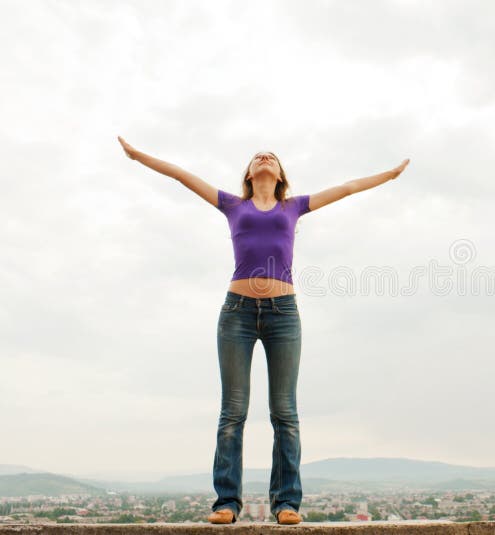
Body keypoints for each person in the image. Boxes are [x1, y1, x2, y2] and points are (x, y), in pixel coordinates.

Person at [117, 136, 409, 524]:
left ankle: (286, 504)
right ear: (250, 175)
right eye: (257, 157)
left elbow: (348, 187)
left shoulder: (294, 207)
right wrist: (138, 156)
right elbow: (182, 176)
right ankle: (226, 504)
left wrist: (389, 176)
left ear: (280, 175)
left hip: (283, 314)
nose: (264, 157)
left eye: (271, 156)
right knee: (233, 412)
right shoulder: (233, 205)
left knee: (284, 412)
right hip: (236, 313)